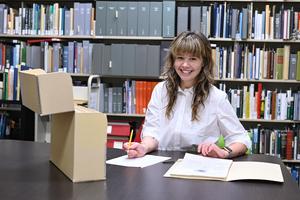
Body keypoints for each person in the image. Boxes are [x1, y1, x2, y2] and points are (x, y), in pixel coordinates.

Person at [123, 31, 251, 159]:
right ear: (173, 60)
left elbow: (241, 139)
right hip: (161, 163)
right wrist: (143, 147)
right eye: (180, 58)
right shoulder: (160, 90)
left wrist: (224, 152)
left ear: (204, 63)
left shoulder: (217, 97)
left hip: (199, 166)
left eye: (193, 59)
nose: (185, 65)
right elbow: (152, 132)